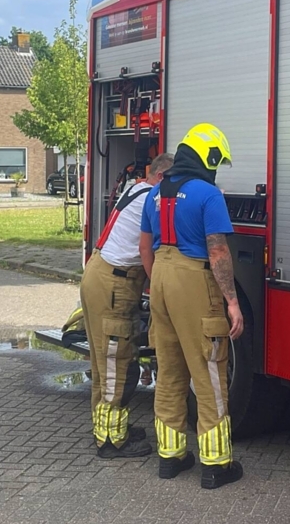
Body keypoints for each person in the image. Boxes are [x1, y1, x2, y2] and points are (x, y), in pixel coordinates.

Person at [139, 123, 245, 489]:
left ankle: (170, 457)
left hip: (162, 278)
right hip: (193, 279)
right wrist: (232, 301)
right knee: (209, 372)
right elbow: (217, 250)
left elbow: (145, 244)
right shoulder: (208, 194)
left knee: (169, 371)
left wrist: (156, 284)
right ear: (208, 157)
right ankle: (216, 464)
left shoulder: (155, 193)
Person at [80, 153, 175, 459]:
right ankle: (112, 441)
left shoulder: (135, 188)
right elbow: (148, 248)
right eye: (172, 183)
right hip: (115, 285)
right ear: (160, 178)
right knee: (118, 365)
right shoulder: (153, 198)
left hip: (99, 275)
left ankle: (106, 428)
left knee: (103, 364)